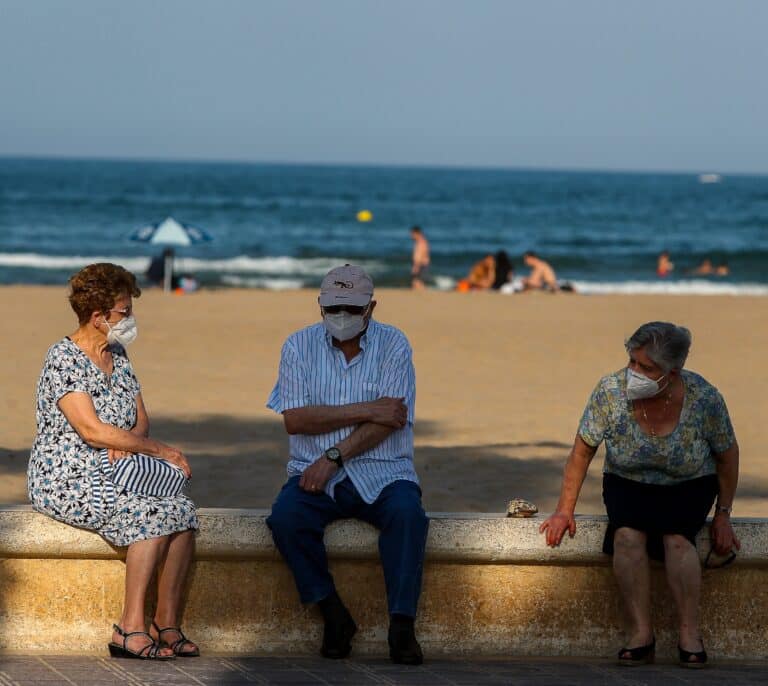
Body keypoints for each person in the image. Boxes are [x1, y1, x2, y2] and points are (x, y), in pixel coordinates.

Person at [540, 322, 739, 668]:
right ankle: (640, 635)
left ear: (672, 372)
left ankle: (689, 633)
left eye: (645, 368)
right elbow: (581, 452)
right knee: (628, 537)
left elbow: (727, 456)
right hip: (627, 482)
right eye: (632, 362)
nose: (634, 372)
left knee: (678, 539)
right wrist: (563, 509)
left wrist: (723, 514)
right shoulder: (610, 391)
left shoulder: (704, 398)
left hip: (688, 483)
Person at [27, 263, 200, 660]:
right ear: (98, 316)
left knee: (182, 511)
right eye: (124, 311)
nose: (131, 318)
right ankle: (129, 628)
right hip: (67, 473)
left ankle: (166, 623)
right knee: (149, 513)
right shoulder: (63, 359)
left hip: (115, 466)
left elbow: (140, 417)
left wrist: (133, 441)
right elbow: (91, 430)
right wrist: (160, 450)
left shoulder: (118, 354)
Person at [266, 264, 429, 665]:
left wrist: (333, 456)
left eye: (352, 309)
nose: (341, 316)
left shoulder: (395, 345)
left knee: (408, 516)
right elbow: (296, 419)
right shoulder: (297, 346)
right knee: (285, 519)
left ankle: (402, 625)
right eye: (333, 307)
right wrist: (366, 409)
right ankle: (332, 613)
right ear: (319, 305)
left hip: (384, 469)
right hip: (311, 472)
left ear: (371, 308)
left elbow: (391, 421)